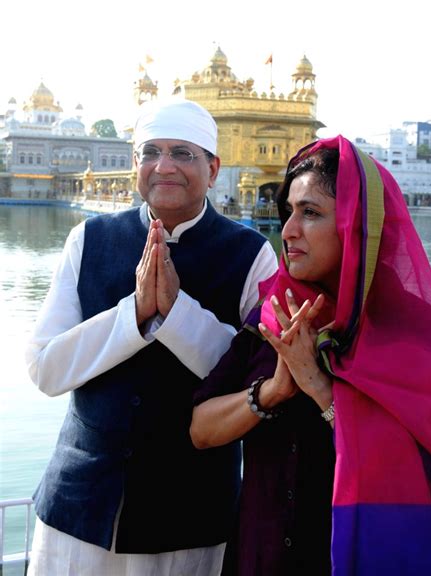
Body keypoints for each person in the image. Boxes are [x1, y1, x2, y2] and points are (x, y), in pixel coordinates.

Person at [190, 135, 431, 575]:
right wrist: (271, 392)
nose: (287, 230)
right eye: (289, 212)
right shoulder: (272, 313)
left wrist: (322, 390)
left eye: (311, 213)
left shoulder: (408, 331)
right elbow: (200, 429)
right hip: (259, 557)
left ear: (355, 225)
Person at [25, 97, 278, 576]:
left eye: (183, 153)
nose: (164, 166)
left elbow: (257, 385)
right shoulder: (89, 239)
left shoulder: (252, 256)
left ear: (213, 168)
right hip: (77, 510)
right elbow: (45, 367)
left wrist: (179, 314)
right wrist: (134, 316)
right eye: (150, 152)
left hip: (188, 520)